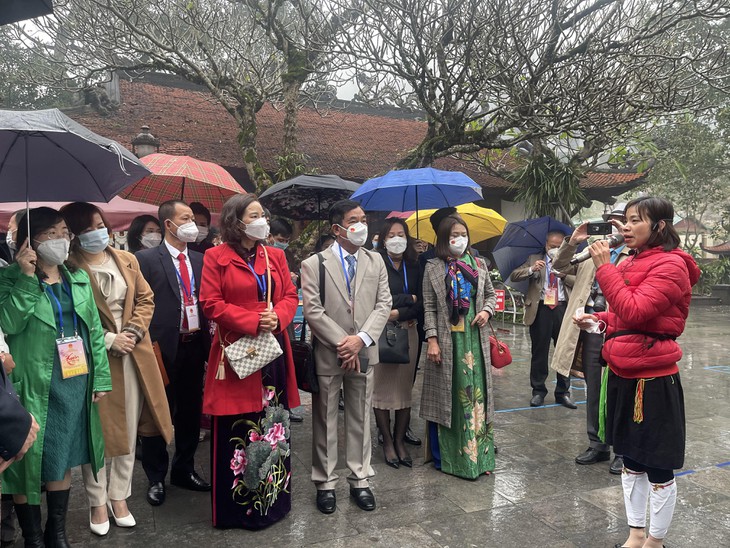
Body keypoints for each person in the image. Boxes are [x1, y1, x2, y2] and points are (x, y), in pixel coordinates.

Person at [575, 197, 699, 548]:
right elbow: (624, 316)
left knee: (657, 465)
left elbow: (635, 310)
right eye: (625, 220)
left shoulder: (672, 265)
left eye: (634, 221)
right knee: (630, 460)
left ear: (659, 226)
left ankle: (655, 542)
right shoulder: (633, 260)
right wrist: (598, 320)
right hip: (623, 372)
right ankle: (635, 535)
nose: (625, 228)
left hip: (654, 380)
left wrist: (605, 268)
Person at [0, 207, 111, 548]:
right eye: (51, 233)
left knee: (62, 452)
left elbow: (93, 330)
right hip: (31, 380)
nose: (62, 239)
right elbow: (8, 323)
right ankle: (33, 535)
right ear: (30, 241)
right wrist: (25, 277)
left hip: (72, 378)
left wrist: (101, 377)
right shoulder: (9, 278)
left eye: (64, 232)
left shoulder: (76, 276)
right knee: (27, 459)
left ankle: (56, 531)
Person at [60, 202, 173, 535]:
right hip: (95, 357)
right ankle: (97, 501)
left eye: (100, 225)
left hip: (134, 353)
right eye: (88, 228)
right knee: (96, 431)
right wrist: (110, 339)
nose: (97, 233)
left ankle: (119, 496)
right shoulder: (67, 267)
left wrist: (132, 332)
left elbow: (145, 299)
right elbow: (70, 316)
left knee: (129, 425)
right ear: (74, 234)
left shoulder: (126, 259)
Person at [199, 194, 300, 529]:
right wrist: (254, 319)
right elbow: (210, 303)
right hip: (237, 352)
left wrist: (279, 317)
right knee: (237, 425)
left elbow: (290, 295)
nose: (262, 221)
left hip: (271, 350)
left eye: (263, 215)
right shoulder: (216, 257)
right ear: (236, 221)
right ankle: (236, 511)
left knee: (273, 427)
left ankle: (272, 503)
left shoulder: (275, 256)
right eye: (254, 215)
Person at [301, 199, 391, 515]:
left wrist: (361, 340)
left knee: (360, 416)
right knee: (325, 418)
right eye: (354, 220)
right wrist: (344, 343)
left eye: (363, 219)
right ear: (337, 228)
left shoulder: (376, 261)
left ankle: (360, 479)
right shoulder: (314, 264)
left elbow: (383, 304)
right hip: (330, 352)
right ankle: (325, 483)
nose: (361, 226)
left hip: (364, 350)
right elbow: (313, 310)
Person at [135, 200, 212, 507]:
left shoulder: (201, 259)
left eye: (193, 218)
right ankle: (155, 476)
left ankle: (184, 469)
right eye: (186, 218)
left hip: (194, 344)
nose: (193, 224)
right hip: (160, 348)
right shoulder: (145, 259)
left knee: (190, 411)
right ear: (169, 224)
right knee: (157, 411)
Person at [552, 205, 629, 475]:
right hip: (590, 327)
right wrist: (573, 242)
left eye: (623, 223)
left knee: (619, 389)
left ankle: (622, 450)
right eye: (611, 223)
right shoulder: (592, 252)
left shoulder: (635, 255)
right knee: (593, 387)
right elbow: (559, 267)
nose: (615, 229)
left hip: (621, 330)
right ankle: (597, 444)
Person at [420, 215, 496, 479]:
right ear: (444, 238)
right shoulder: (433, 267)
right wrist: (432, 339)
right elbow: (429, 306)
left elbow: (490, 295)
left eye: (463, 234)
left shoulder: (479, 264)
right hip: (447, 340)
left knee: (478, 396)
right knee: (447, 398)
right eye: (454, 235)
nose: (459, 239)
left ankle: (480, 458)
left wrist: (486, 311)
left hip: (475, 339)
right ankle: (448, 459)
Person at [372, 218, 422, 469]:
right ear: (383, 239)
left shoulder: (415, 265)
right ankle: (387, 441)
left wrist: (399, 311)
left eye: (401, 234)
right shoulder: (375, 263)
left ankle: (400, 440)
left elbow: (421, 301)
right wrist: (405, 299)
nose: (396, 239)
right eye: (391, 235)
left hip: (409, 331)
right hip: (381, 333)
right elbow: (375, 299)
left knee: (404, 390)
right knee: (380, 390)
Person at [510, 230, 577, 408]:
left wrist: (564, 275)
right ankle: (538, 391)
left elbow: (580, 281)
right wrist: (531, 269)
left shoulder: (570, 260)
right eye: (552, 246)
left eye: (559, 246)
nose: (555, 249)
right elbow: (515, 275)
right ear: (546, 245)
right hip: (541, 309)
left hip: (563, 308)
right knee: (539, 352)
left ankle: (563, 392)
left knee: (564, 352)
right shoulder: (534, 259)